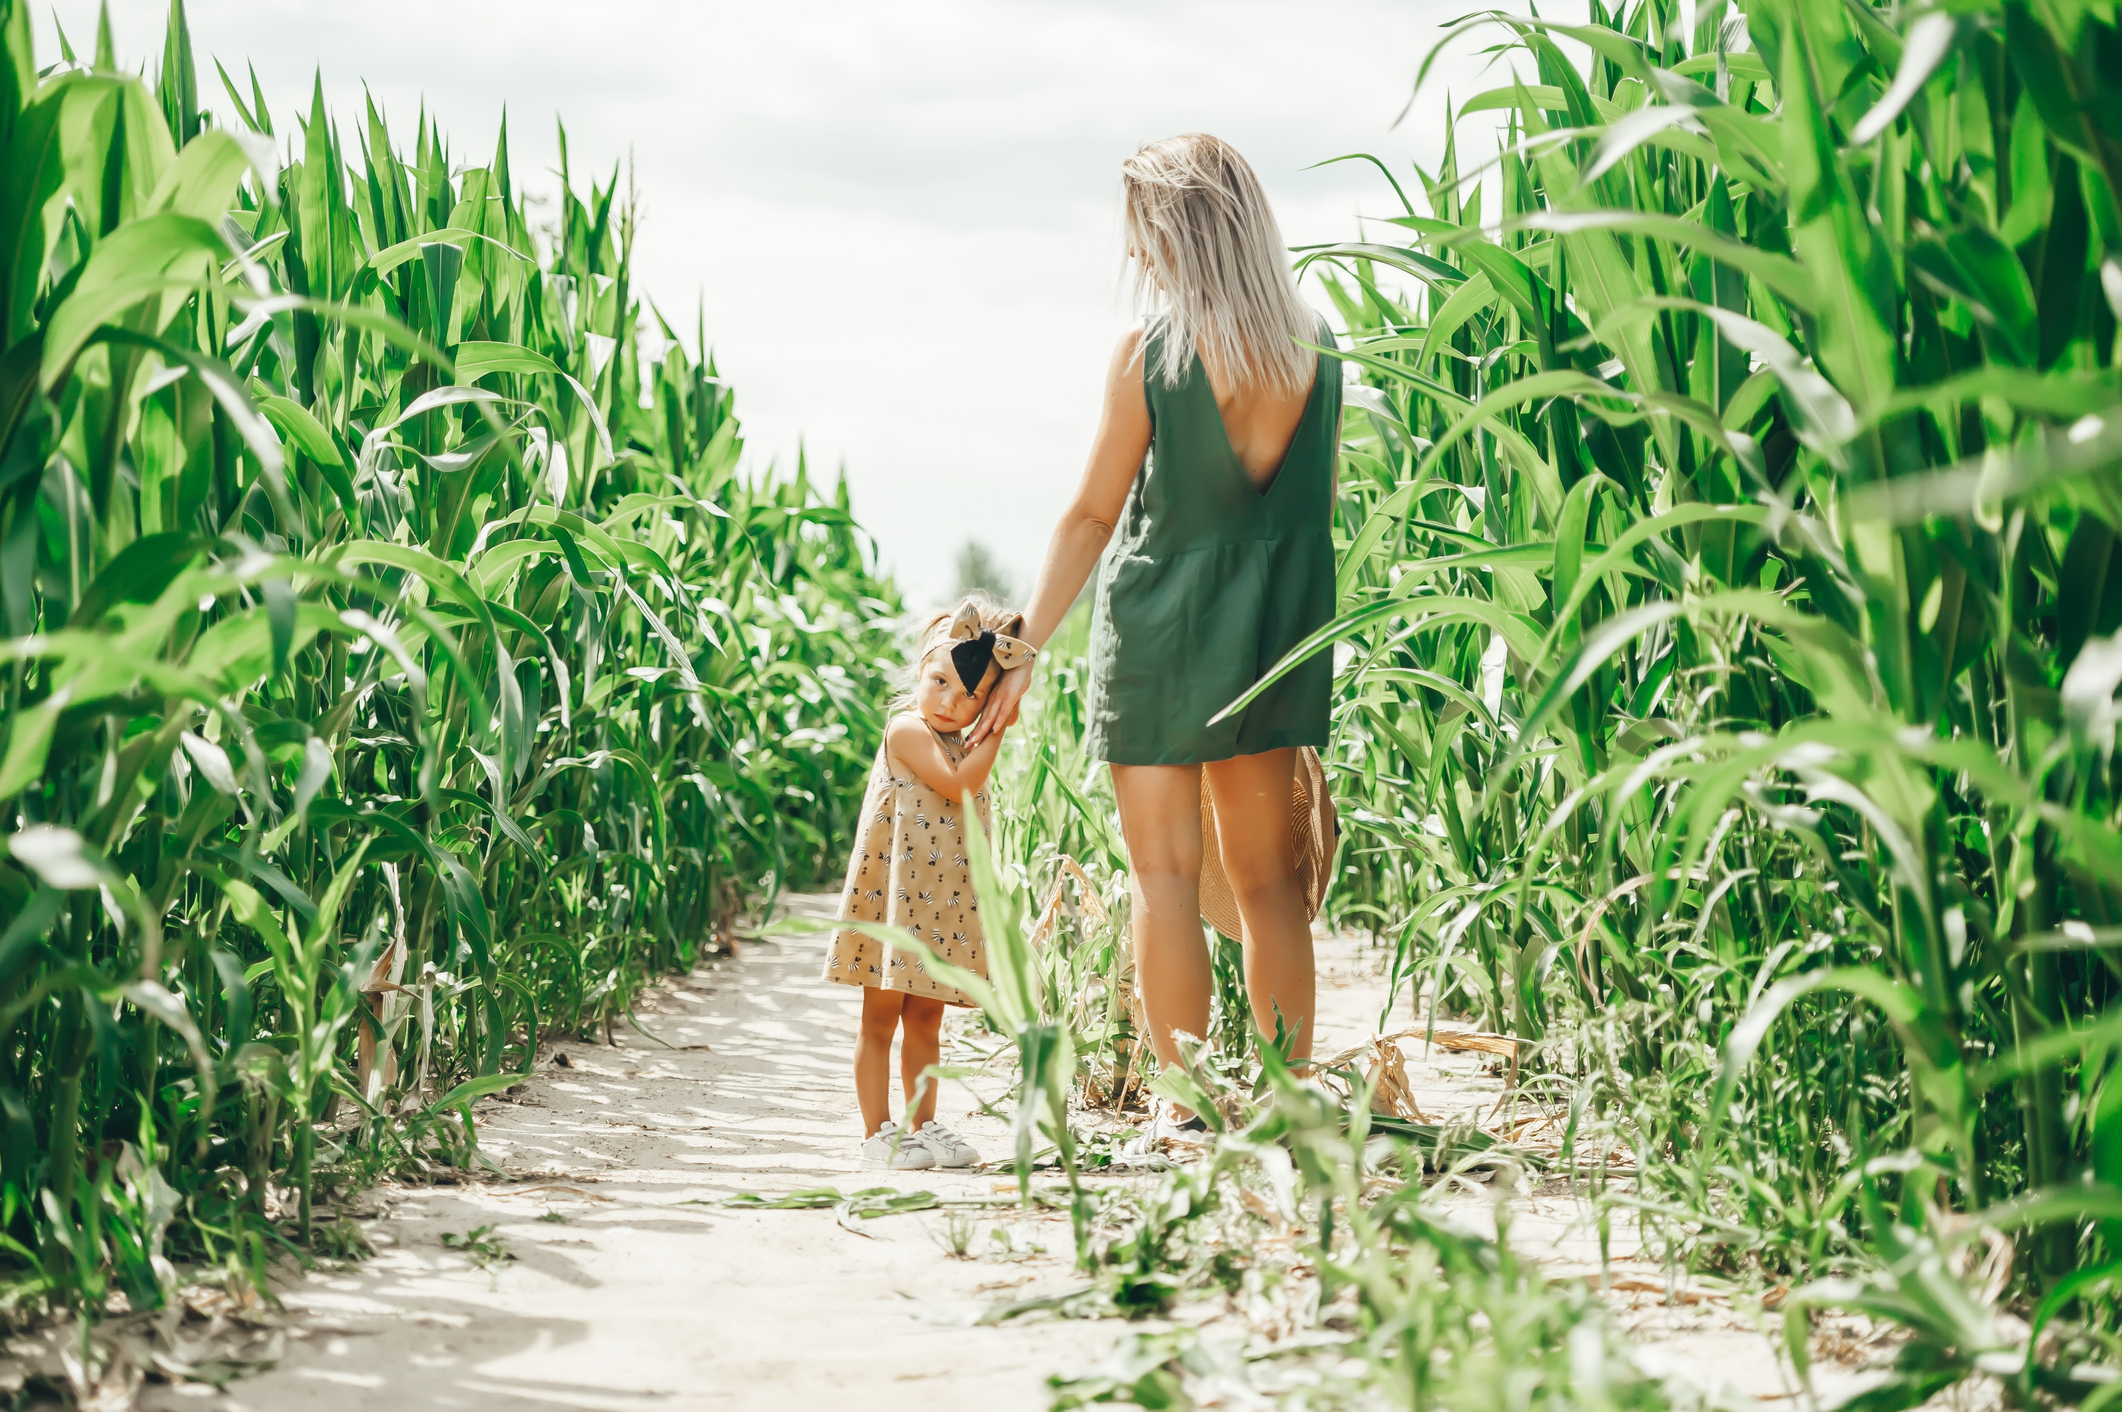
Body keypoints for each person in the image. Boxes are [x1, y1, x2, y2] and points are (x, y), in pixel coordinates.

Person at [969, 133, 1340, 1142]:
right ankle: (1288, 1101)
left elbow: (1092, 515)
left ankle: (1184, 1108)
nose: (1136, 257)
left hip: (1160, 639)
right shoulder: (1319, 351)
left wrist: (1020, 645)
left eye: (1144, 235)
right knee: (1271, 885)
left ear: (1177, 234)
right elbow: (1310, 505)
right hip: (1275, 638)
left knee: (1165, 878)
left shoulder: (1153, 357)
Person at [825, 597, 1034, 1168]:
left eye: (972, 696)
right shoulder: (907, 731)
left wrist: (989, 724)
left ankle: (925, 1125)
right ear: (920, 670)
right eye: (939, 680)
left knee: (926, 1019)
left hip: (940, 907)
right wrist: (1000, 726)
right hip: (894, 905)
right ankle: (878, 1133)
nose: (949, 701)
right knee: (880, 1017)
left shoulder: (959, 739)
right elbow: (962, 785)